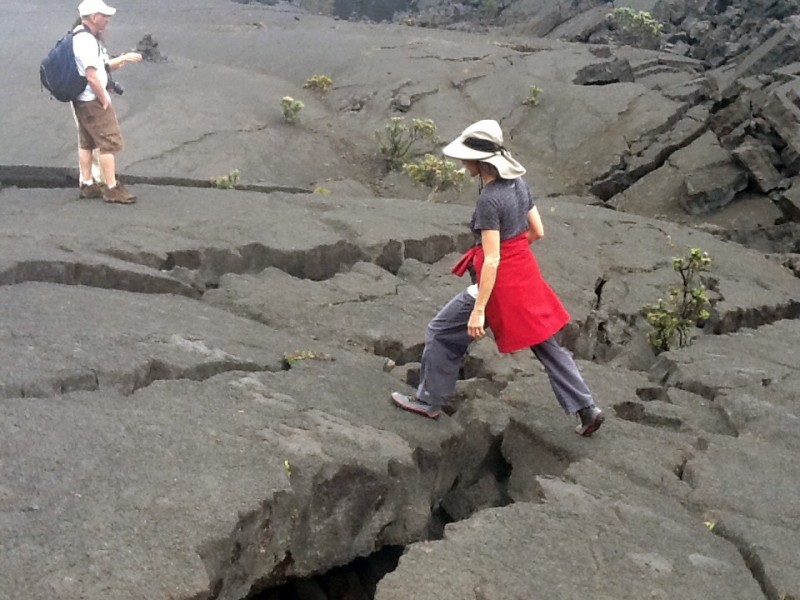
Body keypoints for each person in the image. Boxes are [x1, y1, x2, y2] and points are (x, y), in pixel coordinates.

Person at [391, 120, 605, 436]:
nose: (463, 164)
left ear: (481, 160)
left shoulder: (490, 199)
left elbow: (491, 260)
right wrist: (513, 253)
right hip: (525, 274)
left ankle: (429, 401)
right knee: (546, 344)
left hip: (499, 282)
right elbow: (537, 231)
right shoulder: (519, 184)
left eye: (466, 158)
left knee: (441, 332)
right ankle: (587, 409)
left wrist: (479, 309)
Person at [71, 0, 142, 204]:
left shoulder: (80, 36)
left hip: (82, 99)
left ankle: (87, 183)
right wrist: (104, 99)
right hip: (92, 100)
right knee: (109, 143)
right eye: (104, 15)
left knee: (87, 142)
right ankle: (111, 188)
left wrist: (123, 59)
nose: (108, 19)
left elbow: (101, 68)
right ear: (94, 17)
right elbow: (92, 75)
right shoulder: (86, 41)